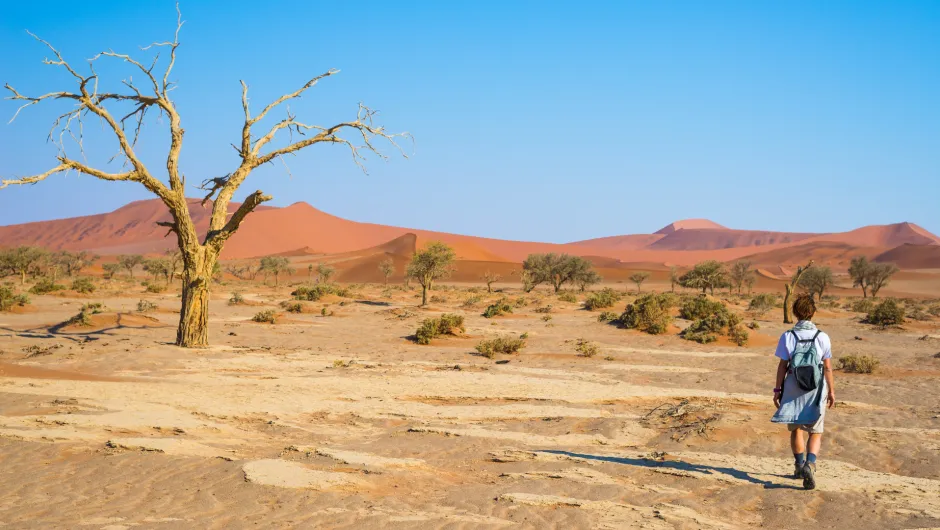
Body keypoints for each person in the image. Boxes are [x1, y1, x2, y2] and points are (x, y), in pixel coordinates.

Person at [771, 294, 836, 490]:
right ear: (813, 312)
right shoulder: (822, 337)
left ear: (795, 313)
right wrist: (831, 390)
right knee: (815, 430)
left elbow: (782, 366)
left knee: (796, 428)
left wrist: (777, 389)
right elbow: (827, 367)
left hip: (793, 386)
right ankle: (810, 464)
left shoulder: (788, 336)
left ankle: (799, 466)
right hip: (816, 387)